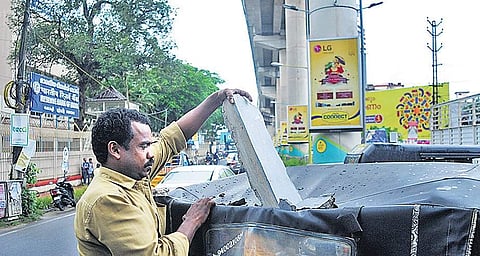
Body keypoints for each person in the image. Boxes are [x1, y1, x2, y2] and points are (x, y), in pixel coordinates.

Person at [74, 88, 252, 255]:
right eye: (143, 146)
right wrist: (191, 221)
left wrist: (217, 99)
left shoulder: (133, 174)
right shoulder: (108, 199)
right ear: (115, 150)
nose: (151, 153)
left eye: (150, 144)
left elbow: (171, 140)